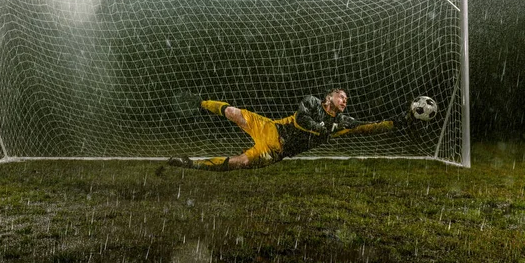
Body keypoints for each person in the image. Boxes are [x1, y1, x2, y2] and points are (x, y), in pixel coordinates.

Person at [167, 88, 410, 171]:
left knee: (238, 163)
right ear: (330, 96)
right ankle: (198, 102)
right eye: (341, 96)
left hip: (276, 151)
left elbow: (370, 127)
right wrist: (322, 129)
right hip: (271, 128)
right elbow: (302, 120)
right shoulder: (313, 102)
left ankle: (191, 163)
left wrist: (401, 119)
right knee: (232, 112)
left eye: (346, 99)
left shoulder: (343, 122)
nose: (345, 101)